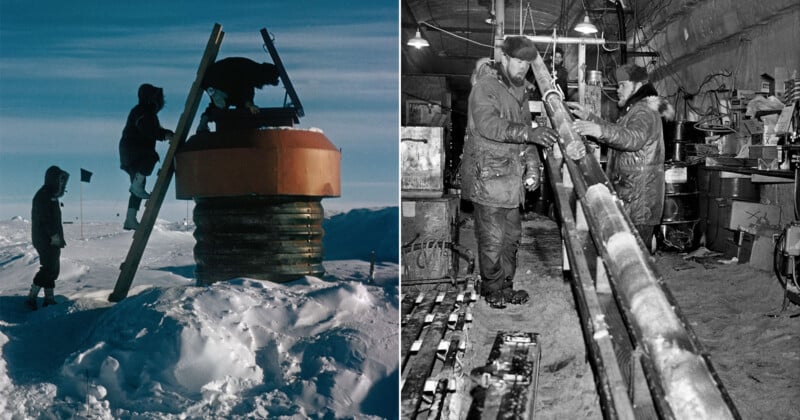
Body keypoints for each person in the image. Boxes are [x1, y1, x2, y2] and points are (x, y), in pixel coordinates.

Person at [460, 37, 560, 309]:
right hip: (489, 176)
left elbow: (528, 135)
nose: (523, 68)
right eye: (518, 61)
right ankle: (492, 289)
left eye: (527, 64)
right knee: (492, 239)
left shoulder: (520, 92)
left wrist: (533, 167)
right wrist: (529, 133)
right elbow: (487, 125)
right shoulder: (486, 87)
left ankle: (506, 285)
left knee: (511, 239)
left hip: (512, 181)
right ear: (504, 58)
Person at [569, 64, 674, 248]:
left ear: (638, 85)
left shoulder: (643, 111)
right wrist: (589, 117)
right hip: (632, 197)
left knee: (635, 260)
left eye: (622, 85)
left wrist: (599, 130)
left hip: (639, 202)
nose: (618, 90)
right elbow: (619, 132)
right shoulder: (635, 109)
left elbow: (633, 139)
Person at [118, 83, 174, 230]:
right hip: (133, 150)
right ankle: (137, 185)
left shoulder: (144, 112)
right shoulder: (143, 112)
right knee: (151, 157)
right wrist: (164, 135)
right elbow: (149, 130)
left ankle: (130, 218)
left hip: (130, 150)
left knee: (137, 186)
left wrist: (165, 133)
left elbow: (154, 129)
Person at [197, 57, 280, 132]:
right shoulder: (252, 74)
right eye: (267, 83)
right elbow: (245, 91)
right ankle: (206, 121)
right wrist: (250, 105)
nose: (265, 85)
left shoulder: (251, 67)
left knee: (224, 104)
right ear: (266, 77)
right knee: (224, 105)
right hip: (219, 81)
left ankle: (205, 120)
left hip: (214, 80)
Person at [27, 166, 69, 310]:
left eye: (64, 181)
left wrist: (57, 236)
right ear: (53, 180)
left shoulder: (51, 196)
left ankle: (49, 298)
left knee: (53, 268)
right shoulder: (43, 195)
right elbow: (45, 219)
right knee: (49, 268)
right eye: (60, 180)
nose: (62, 184)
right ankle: (32, 297)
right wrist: (54, 235)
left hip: (52, 238)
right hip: (44, 238)